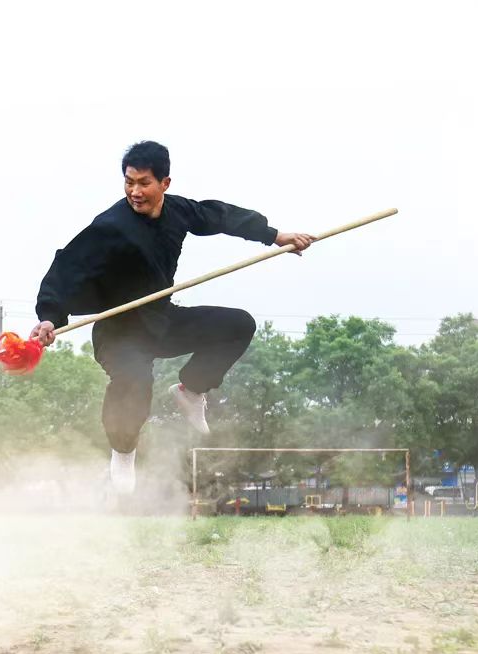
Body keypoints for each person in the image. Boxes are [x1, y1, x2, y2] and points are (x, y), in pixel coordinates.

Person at [31, 141, 314, 495]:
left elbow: (218, 216)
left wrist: (274, 236)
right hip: (119, 334)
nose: (135, 192)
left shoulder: (177, 210)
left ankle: (191, 390)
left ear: (165, 183)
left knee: (238, 325)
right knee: (135, 381)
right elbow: (67, 266)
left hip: (162, 321)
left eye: (144, 183)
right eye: (129, 182)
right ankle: (123, 452)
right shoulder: (110, 226)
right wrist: (50, 317)